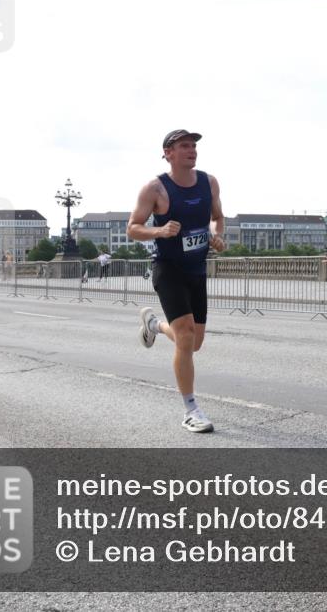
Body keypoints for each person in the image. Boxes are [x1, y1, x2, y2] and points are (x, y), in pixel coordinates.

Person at [127, 129, 226, 433]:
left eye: (193, 145)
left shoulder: (209, 182)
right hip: (168, 268)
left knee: (194, 343)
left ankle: (155, 325)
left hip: (197, 270)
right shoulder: (155, 188)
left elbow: (219, 216)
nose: (191, 150)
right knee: (184, 337)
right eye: (184, 146)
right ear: (168, 153)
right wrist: (159, 231)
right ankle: (191, 410)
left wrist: (218, 236)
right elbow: (133, 227)